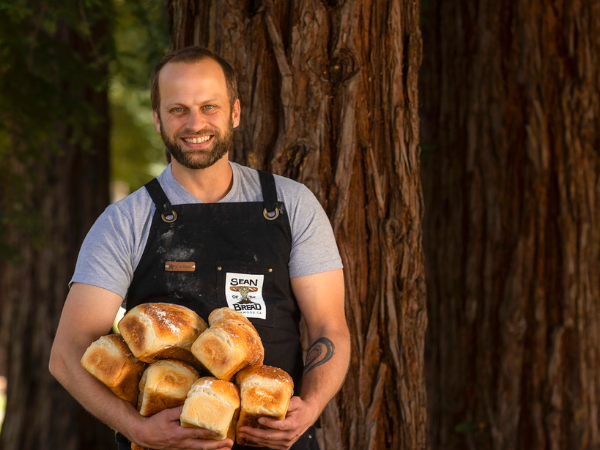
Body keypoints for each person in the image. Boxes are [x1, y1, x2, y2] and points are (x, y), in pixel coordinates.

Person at [49, 46, 350, 450]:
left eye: (210, 107)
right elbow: (67, 355)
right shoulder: (125, 221)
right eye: (178, 110)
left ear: (235, 113)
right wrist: (139, 431)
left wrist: (309, 407)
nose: (195, 124)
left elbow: (329, 329)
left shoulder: (292, 205)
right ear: (157, 119)